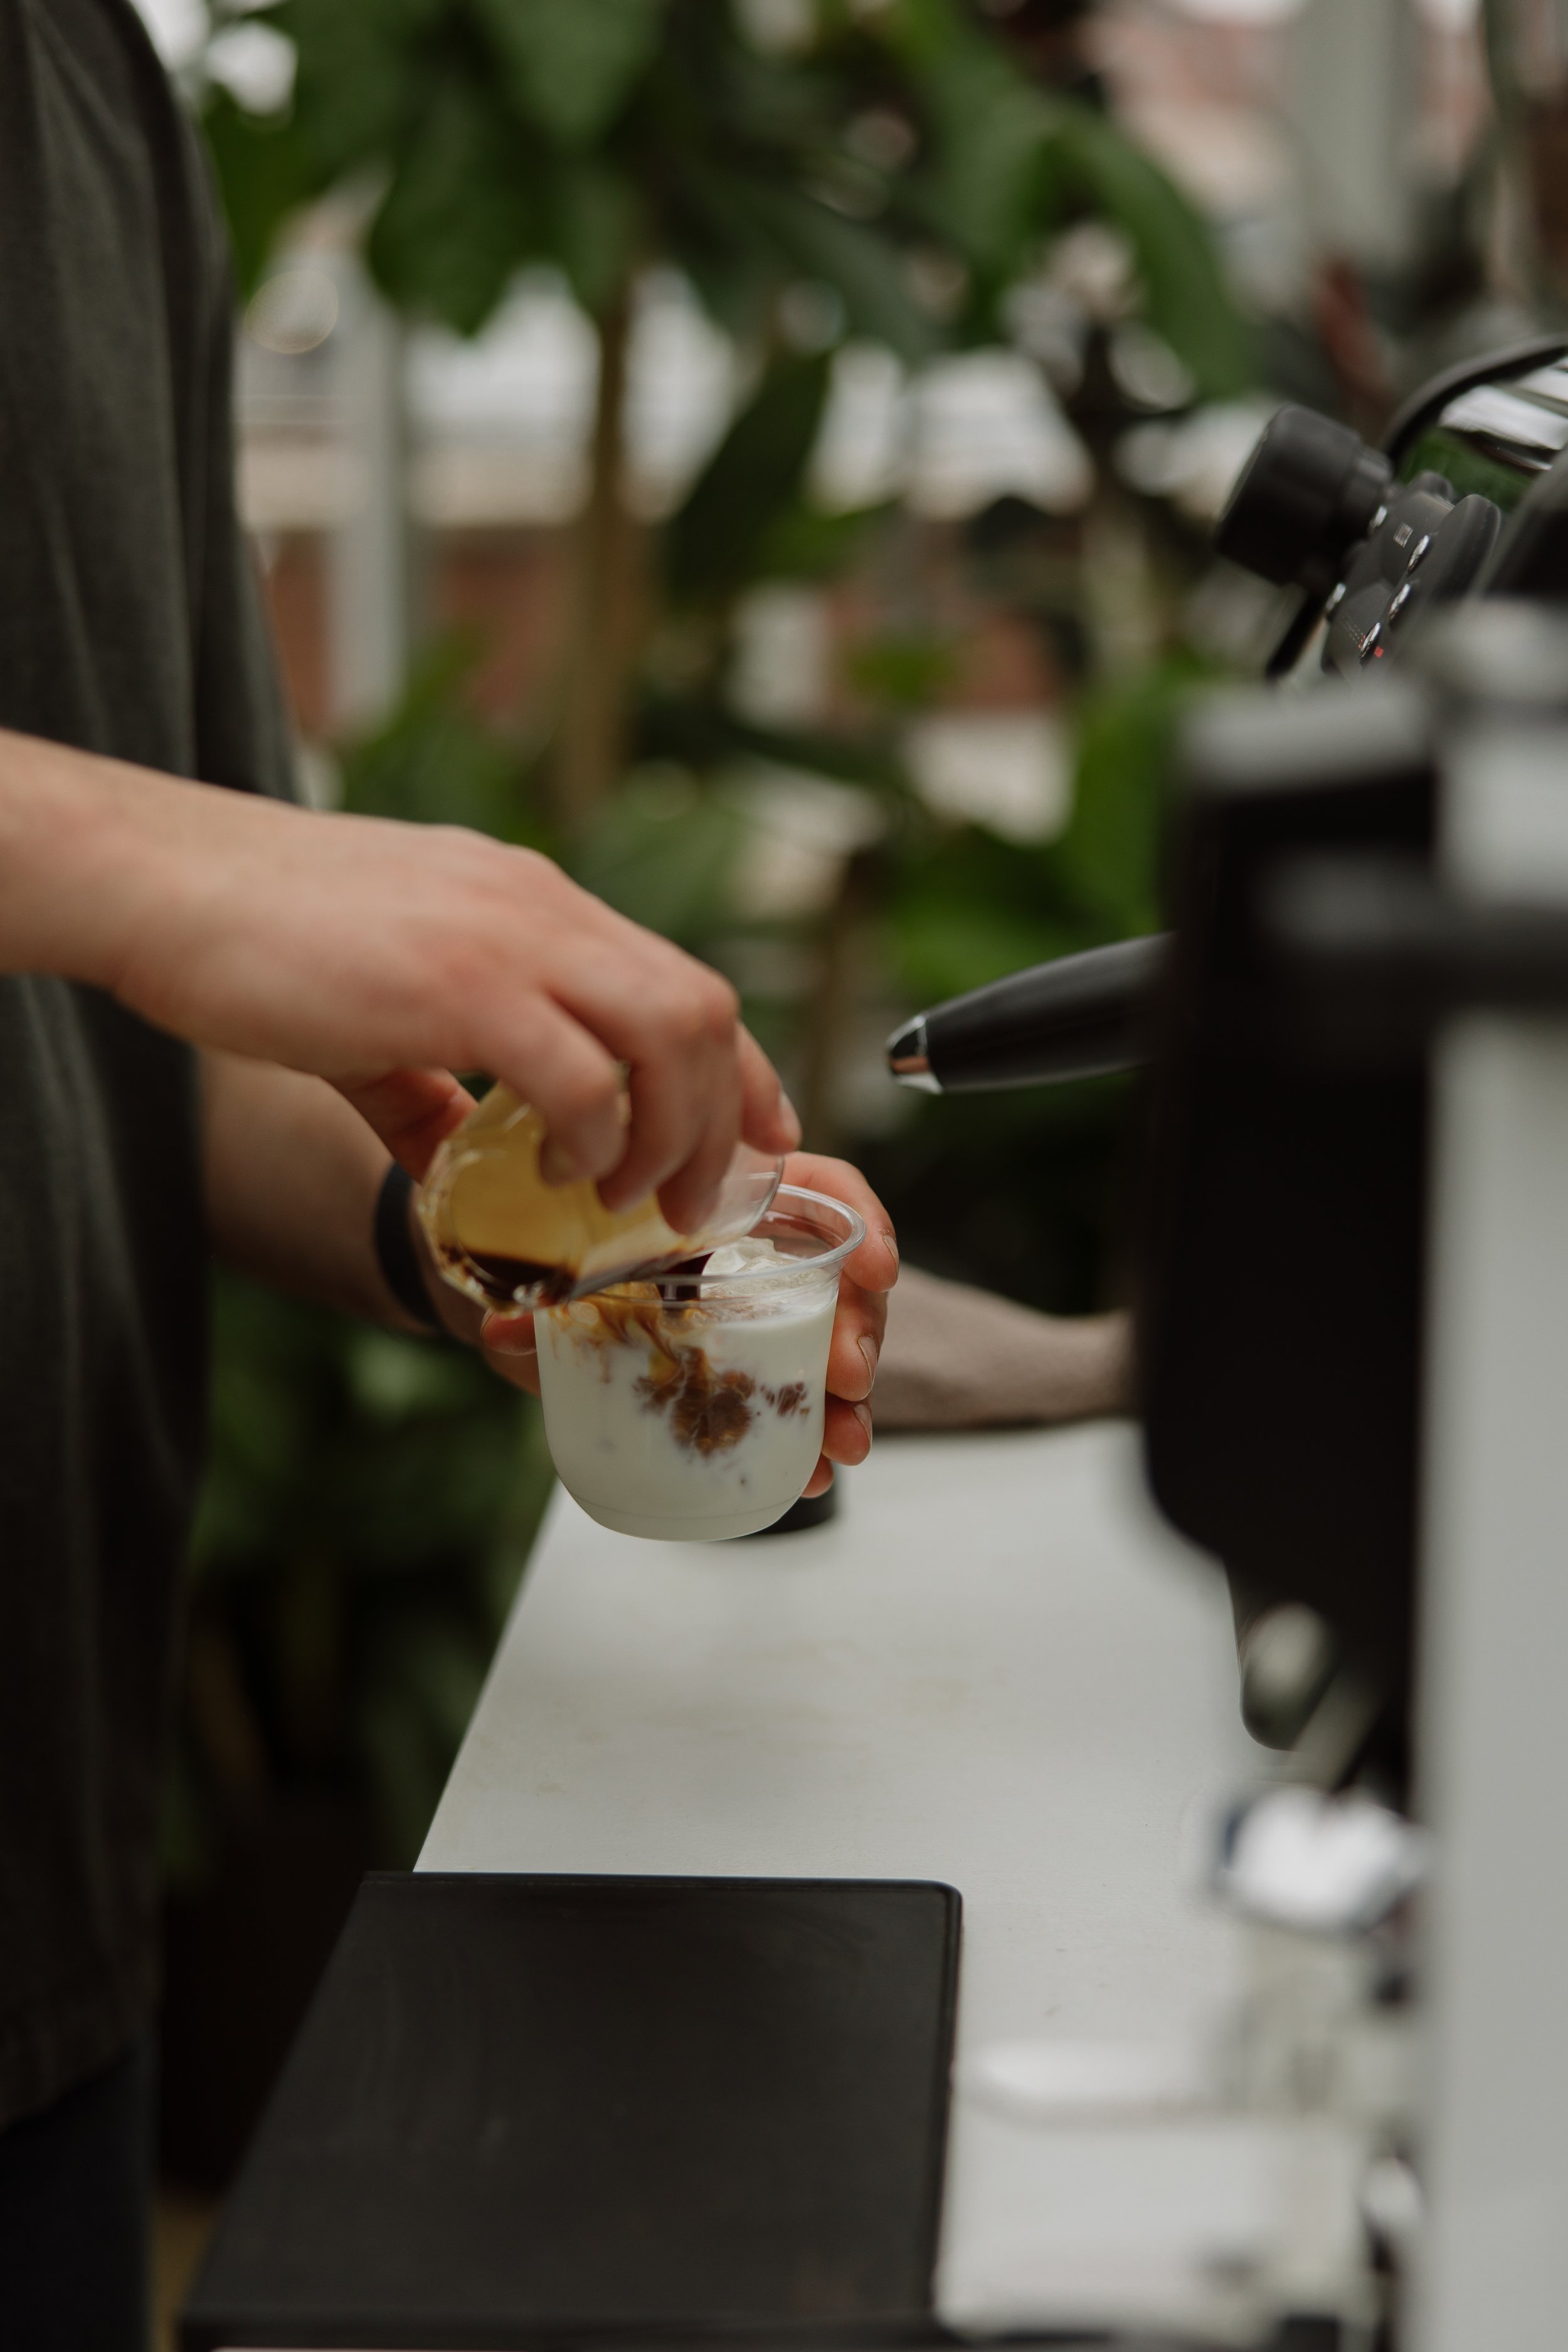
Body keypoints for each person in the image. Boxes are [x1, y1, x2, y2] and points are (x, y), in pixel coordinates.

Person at [0, 4, 896, 2344]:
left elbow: (151, 1049)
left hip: (37, 1899)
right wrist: (118, 850)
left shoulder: (89, 90)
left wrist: (539, 1239)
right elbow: (133, 896)